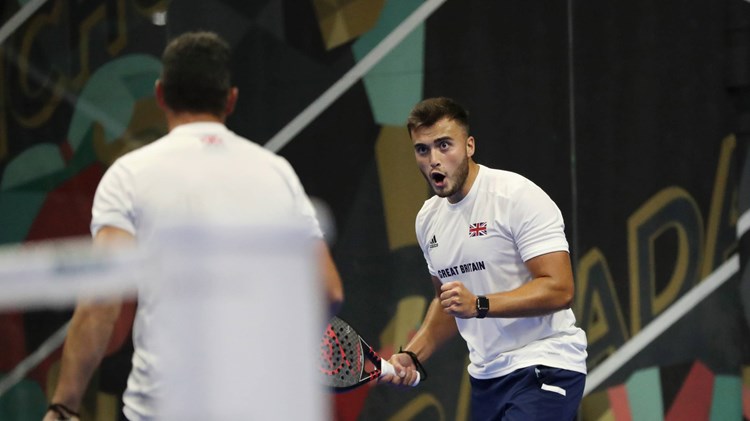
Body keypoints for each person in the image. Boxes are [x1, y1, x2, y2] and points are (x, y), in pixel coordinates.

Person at [43, 31, 344, 421]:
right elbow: (328, 290)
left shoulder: (128, 176)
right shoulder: (276, 173)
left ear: (160, 94)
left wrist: (64, 405)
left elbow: (101, 302)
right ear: (231, 99)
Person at [381, 97, 587, 420]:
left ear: (470, 145)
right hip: (487, 378)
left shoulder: (516, 197)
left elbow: (560, 289)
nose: (434, 160)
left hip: (545, 363)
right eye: (422, 150)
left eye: (444, 145)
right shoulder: (427, 221)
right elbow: (449, 304)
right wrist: (413, 355)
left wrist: (479, 305)